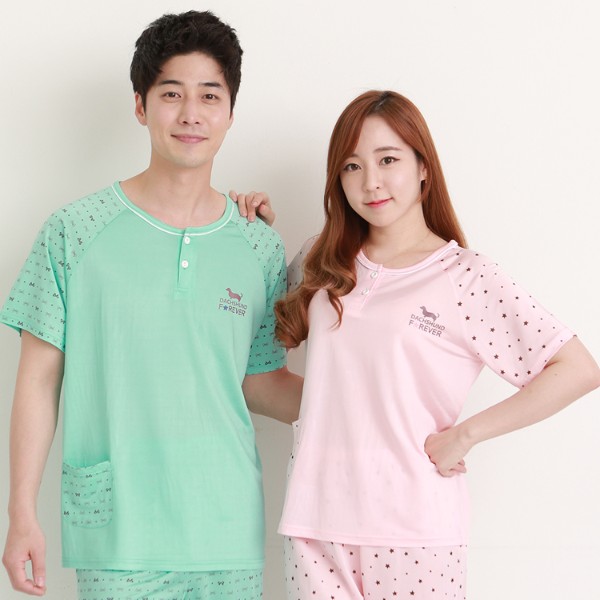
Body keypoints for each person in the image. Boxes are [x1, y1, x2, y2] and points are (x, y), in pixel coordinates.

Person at [0, 10, 301, 600]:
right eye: (171, 94)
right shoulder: (73, 232)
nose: (191, 113)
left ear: (231, 112)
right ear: (140, 106)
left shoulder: (259, 244)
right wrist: (20, 512)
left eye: (209, 95)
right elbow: (37, 380)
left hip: (227, 531)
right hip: (118, 538)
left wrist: (371, 404)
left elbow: (261, 383)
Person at [274, 90, 600, 600]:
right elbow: (264, 344)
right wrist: (249, 229)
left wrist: (466, 435)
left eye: (388, 160)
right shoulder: (320, 260)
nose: (370, 182)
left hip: (415, 533)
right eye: (352, 166)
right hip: (314, 525)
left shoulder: (465, 276)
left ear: (423, 166)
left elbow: (577, 368)